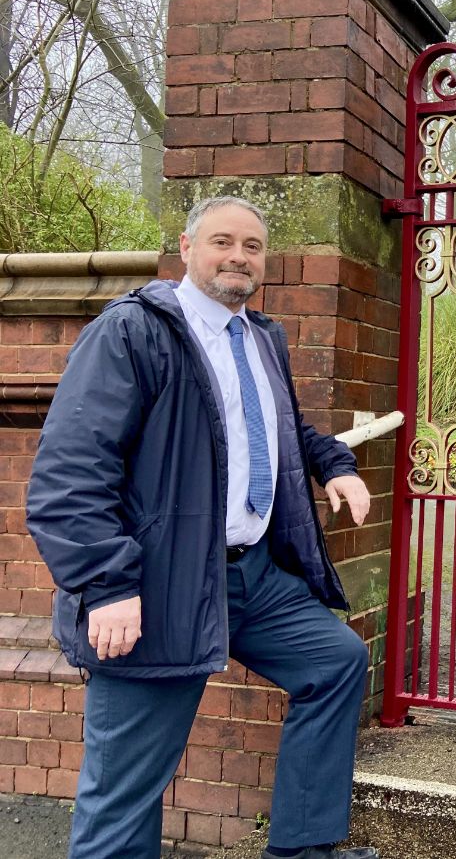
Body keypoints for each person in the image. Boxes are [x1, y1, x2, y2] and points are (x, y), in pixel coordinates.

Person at [27, 196, 379, 859]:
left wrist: (333, 464)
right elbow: (69, 473)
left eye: (252, 246)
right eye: (223, 242)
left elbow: (278, 428)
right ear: (187, 248)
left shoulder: (260, 337)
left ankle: (303, 847)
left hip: (252, 577)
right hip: (157, 584)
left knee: (335, 662)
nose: (238, 257)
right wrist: (106, 584)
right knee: (126, 785)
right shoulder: (134, 331)